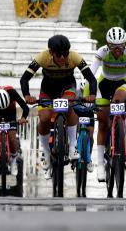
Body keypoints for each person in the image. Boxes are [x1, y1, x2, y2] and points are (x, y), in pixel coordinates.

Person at [21, 34, 97, 179]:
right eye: (58, 54)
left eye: (65, 54)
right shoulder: (42, 57)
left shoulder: (74, 57)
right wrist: (27, 95)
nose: (62, 57)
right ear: (51, 52)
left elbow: (91, 79)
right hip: (48, 90)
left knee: (68, 105)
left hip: (67, 87)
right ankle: (46, 153)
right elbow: (24, 79)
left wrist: (92, 94)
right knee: (44, 118)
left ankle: (73, 146)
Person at [91, 27, 126, 182]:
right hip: (104, 84)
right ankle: (100, 164)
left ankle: (123, 130)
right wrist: (86, 91)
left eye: (121, 46)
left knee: (119, 101)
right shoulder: (102, 52)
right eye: (113, 46)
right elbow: (91, 73)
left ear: (125, 44)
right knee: (102, 124)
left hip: (122, 83)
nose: (117, 50)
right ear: (107, 45)